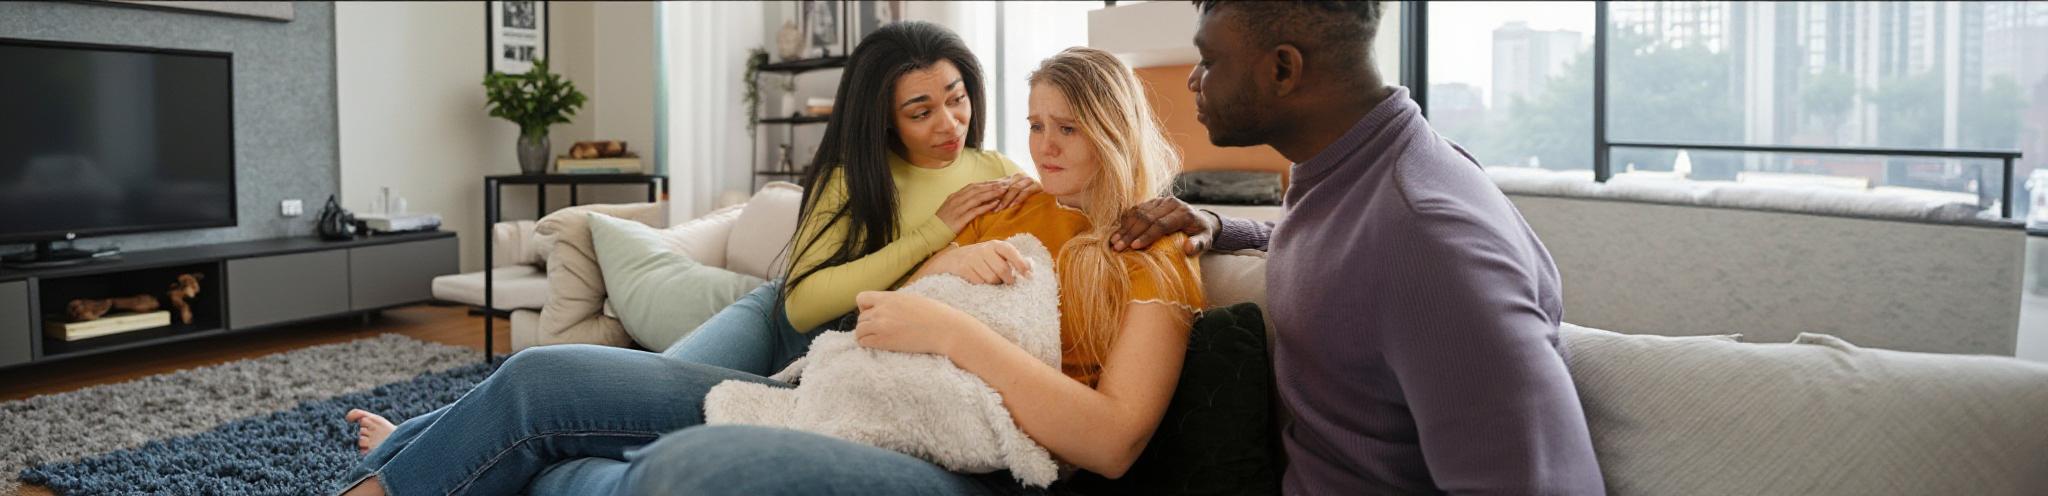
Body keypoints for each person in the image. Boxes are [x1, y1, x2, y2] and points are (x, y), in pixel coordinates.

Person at [331, 45, 1202, 495]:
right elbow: (878, 309)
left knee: (673, 472)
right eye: (1035, 123)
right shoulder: (1008, 200)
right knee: (537, 378)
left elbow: (1114, 444)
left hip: (969, 458)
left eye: (1068, 128)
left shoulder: (1152, 255)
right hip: (835, 383)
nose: (1043, 147)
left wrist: (953, 333)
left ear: (1115, 128)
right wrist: (946, 261)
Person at [1108, 1, 1605, 493]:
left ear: (1283, 68)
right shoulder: (1352, 168)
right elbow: (1343, 262)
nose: (1194, 80)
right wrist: (1219, 224)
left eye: (1210, 61)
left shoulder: (1431, 243)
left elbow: (1543, 484)